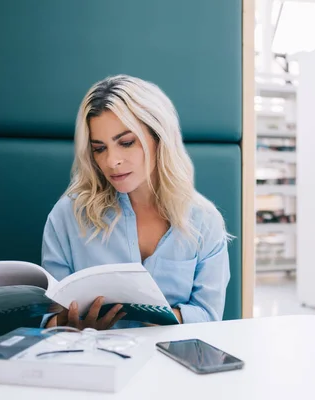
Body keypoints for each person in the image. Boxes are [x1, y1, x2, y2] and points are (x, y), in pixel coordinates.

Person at [41, 74, 232, 330]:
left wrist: (154, 316)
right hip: (94, 364)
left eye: (127, 143)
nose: (112, 161)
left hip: (172, 364)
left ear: (159, 137)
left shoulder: (204, 221)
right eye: (99, 148)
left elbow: (209, 318)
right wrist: (71, 322)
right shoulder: (68, 215)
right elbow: (48, 320)